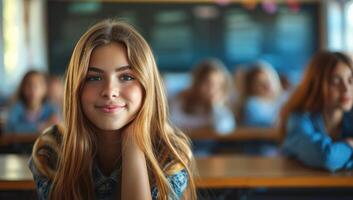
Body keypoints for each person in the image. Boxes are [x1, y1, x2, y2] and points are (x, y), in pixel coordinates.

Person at [28, 19, 196, 199]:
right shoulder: (51, 148)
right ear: (76, 88)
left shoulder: (169, 151)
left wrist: (134, 144)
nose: (109, 92)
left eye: (126, 77)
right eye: (93, 78)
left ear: (147, 85)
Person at [280, 51, 353, 172]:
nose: (346, 89)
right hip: (301, 189)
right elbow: (326, 158)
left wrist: (340, 157)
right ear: (316, 84)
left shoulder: (350, 116)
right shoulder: (298, 119)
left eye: (351, 80)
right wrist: (350, 145)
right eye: (335, 81)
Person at [169, 58, 236, 135]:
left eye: (219, 85)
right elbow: (173, 123)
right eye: (209, 83)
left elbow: (224, 127)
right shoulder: (180, 99)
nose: (213, 90)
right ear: (197, 83)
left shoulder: (221, 108)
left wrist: (216, 106)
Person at [237, 61, 282, 127]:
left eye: (268, 80)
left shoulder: (281, 98)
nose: (267, 86)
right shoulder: (252, 105)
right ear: (251, 87)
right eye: (260, 83)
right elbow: (272, 125)